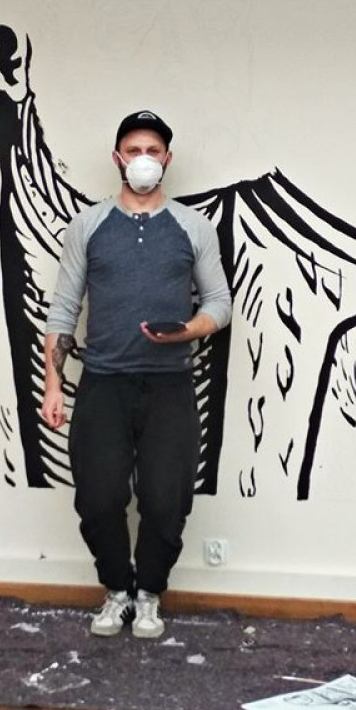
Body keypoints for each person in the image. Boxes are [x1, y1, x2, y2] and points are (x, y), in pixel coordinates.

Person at [41, 110, 232, 639]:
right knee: (98, 499)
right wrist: (53, 386)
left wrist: (187, 330)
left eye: (152, 151)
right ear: (117, 158)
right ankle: (116, 591)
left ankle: (148, 594)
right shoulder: (88, 226)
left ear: (166, 160)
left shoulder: (194, 227)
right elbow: (63, 309)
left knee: (166, 501)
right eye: (133, 150)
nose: (143, 159)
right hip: (103, 383)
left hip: (170, 384)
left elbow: (219, 303)